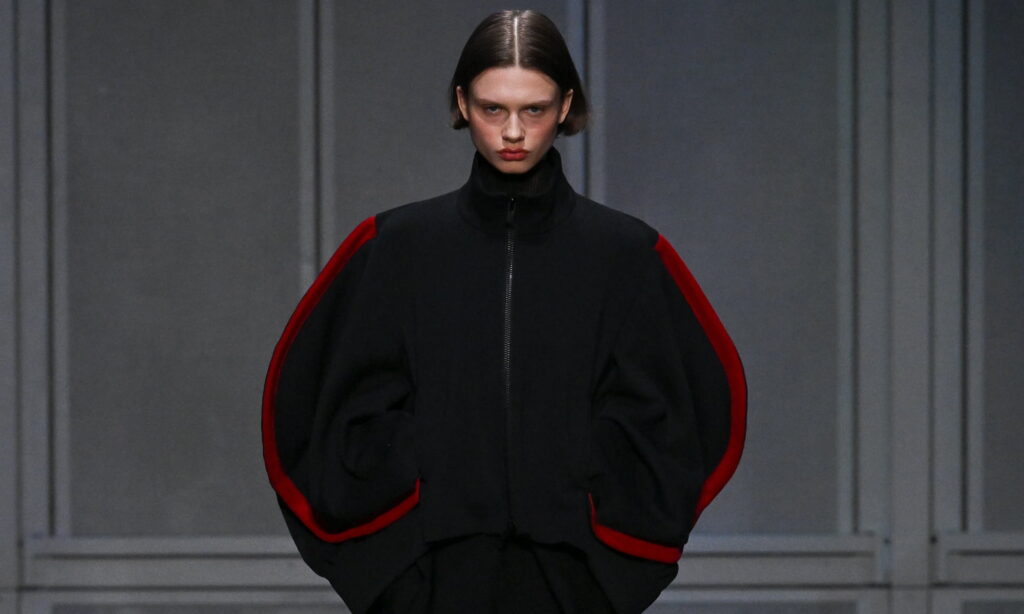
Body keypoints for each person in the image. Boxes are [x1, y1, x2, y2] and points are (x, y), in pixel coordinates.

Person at [261, 9, 747, 614]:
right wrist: (392, 561)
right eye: (493, 108)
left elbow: (693, 416)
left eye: (533, 109)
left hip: (573, 584)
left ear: (565, 106)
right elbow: (311, 411)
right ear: (462, 103)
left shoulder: (627, 255)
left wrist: (603, 556)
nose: (512, 132)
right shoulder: (395, 248)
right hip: (432, 581)